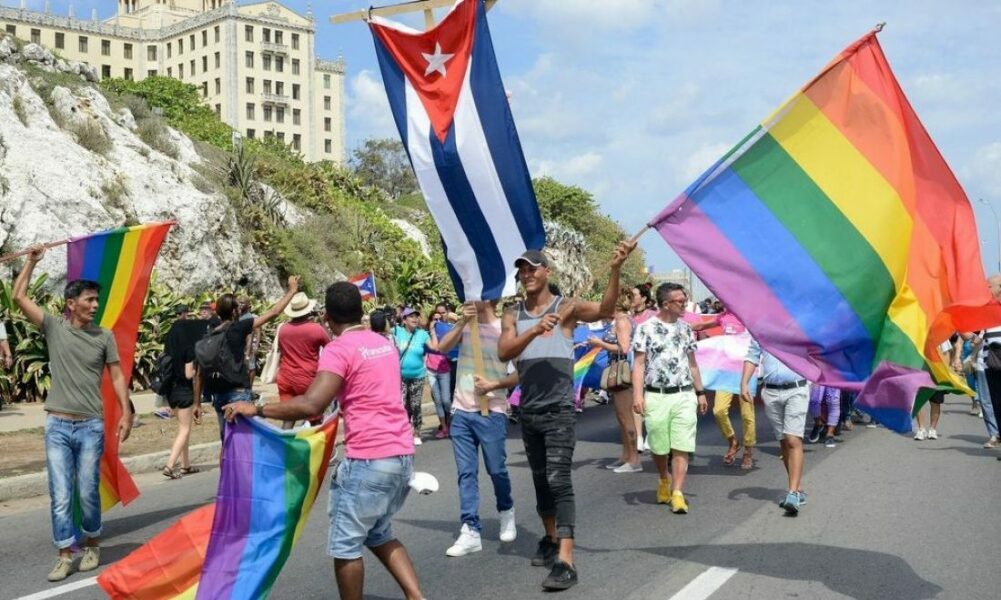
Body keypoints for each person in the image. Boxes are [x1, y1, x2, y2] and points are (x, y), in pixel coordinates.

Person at [224, 282, 424, 600]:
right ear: (360, 311)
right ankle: (416, 596)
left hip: (368, 459)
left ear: (327, 318)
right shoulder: (382, 342)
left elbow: (311, 405)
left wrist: (258, 408)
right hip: (401, 454)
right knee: (379, 533)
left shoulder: (339, 349)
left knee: (346, 545)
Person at [498, 241, 635, 592]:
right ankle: (548, 538)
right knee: (541, 480)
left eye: (533, 268)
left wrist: (616, 268)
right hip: (528, 410)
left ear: (547, 272)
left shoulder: (568, 308)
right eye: (522, 270)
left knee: (559, 480)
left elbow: (606, 310)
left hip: (559, 409)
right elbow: (503, 352)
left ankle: (566, 560)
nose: (527, 274)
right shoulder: (513, 314)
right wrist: (535, 329)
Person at [13, 245, 131, 582]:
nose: (95, 306)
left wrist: (126, 412)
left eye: (96, 300)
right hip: (57, 425)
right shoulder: (54, 328)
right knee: (61, 493)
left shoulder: (103, 336)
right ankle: (66, 553)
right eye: (89, 300)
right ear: (71, 303)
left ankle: (92, 541)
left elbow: (118, 375)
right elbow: (19, 297)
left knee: (87, 491)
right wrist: (31, 261)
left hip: (91, 425)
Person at [437, 300, 518, 557]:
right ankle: (470, 529)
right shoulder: (467, 326)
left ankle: (506, 510)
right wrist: (461, 322)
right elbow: (442, 348)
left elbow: (520, 373)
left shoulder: (505, 329)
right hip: (462, 412)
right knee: (466, 473)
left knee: (496, 469)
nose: (471, 297)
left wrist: (493, 385)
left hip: (492, 411)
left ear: (491, 298)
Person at [631, 283, 709, 515]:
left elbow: (692, 363)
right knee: (659, 445)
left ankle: (677, 492)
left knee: (681, 445)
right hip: (656, 395)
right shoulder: (646, 329)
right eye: (680, 301)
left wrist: (700, 392)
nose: (684, 304)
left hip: (684, 394)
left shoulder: (686, 329)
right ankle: (663, 479)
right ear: (666, 304)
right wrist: (637, 395)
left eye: (685, 300)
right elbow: (639, 364)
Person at [197, 278, 299, 442]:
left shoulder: (210, 335)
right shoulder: (239, 328)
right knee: (245, 442)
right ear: (235, 312)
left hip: (219, 395)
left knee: (227, 441)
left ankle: (228, 468)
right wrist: (292, 291)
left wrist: (197, 403)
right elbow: (273, 312)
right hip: (238, 393)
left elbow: (199, 372)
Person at [740, 339, 809, 515]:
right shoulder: (760, 330)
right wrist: (744, 383)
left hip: (797, 389)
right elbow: (752, 356)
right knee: (784, 442)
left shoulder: (798, 326)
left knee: (793, 439)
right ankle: (797, 488)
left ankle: (792, 493)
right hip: (770, 392)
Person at [587, 290, 641, 473]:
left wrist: (600, 344)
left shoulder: (622, 321)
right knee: (621, 416)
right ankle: (626, 455)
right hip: (618, 371)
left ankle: (634, 460)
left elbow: (624, 348)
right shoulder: (621, 320)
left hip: (622, 372)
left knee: (626, 417)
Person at [707, 306, 756, 469]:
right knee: (718, 410)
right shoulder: (723, 316)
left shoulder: (750, 315)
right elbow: (701, 326)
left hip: (746, 373)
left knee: (747, 414)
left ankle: (748, 451)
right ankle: (733, 441)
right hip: (726, 372)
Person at [277, 292, 330, 429]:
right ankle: (316, 449)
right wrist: (322, 321)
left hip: (285, 377)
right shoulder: (316, 329)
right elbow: (330, 346)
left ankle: (284, 448)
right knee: (314, 418)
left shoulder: (283, 329)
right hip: (306, 378)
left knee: (289, 417)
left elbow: (281, 351)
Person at [161, 318, 206, 478]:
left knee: (183, 428)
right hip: (184, 391)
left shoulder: (169, 349)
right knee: (185, 429)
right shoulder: (188, 349)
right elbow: (189, 374)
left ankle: (186, 465)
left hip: (171, 392)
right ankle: (170, 465)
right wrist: (197, 370)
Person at [394, 307, 437, 446]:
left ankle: (417, 432)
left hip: (418, 375)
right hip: (401, 376)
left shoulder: (422, 335)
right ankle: (406, 431)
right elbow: (378, 330)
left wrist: (432, 331)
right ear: (404, 320)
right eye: (411, 317)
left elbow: (435, 348)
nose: (415, 319)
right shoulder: (396, 331)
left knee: (415, 404)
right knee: (404, 405)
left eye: (416, 317)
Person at [426, 307, 455, 439]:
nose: (437, 321)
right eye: (434, 319)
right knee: (438, 400)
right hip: (431, 370)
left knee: (446, 400)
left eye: (440, 318)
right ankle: (444, 427)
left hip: (446, 369)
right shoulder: (425, 334)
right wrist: (432, 331)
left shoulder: (449, 330)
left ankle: (450, 423)